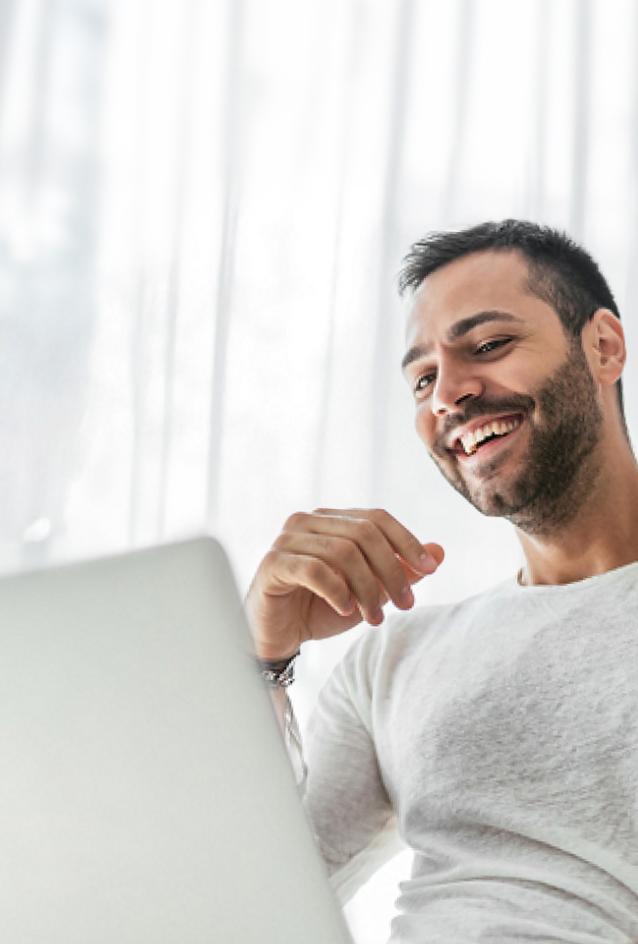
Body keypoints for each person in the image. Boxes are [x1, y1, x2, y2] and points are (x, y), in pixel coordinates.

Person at [244, 219, 638, 943]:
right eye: (423, 378)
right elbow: (245, 902)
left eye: (488, 346)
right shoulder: (397, 658)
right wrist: (263, 660)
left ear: (604, 347)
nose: (448, 396)